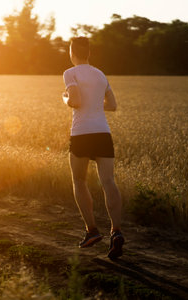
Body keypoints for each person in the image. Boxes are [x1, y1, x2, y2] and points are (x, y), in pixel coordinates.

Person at [62, 37, 124, 259]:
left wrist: (65, 99)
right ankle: (116, 232)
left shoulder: (70, 73)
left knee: (79, 181)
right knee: (108, 181)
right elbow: (113, 106)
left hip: (81, 134)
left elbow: (75, 101)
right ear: (88, 52)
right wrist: (96, 105)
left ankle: (92, 231)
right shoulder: (100, 74)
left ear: (72, 52)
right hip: (102, 133)